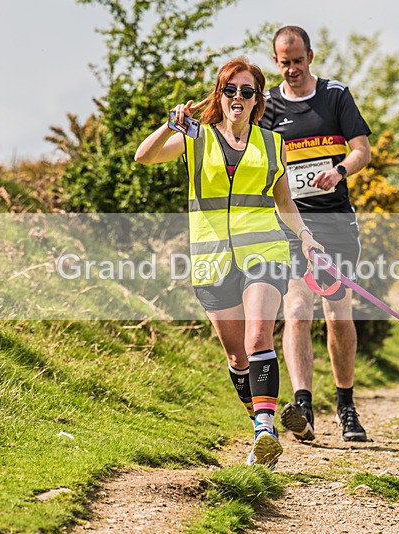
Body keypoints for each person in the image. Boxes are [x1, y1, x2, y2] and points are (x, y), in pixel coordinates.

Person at [134, 57, 322, 468]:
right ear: (220, 95)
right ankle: (264, 422)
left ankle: (264, 431)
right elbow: (143, 157)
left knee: (258, 340)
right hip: (212, 257)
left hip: (265, 252)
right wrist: (171, 123)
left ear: (259, 99)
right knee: (237, 358)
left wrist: (306, 238)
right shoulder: (194, 136)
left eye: (247, 91)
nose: (238, 97)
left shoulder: (274, 143)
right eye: (230, 90)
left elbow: (284, 201)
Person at [259, 26, 372, 442]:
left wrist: (340, 169)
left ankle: (346, 405)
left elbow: (362, 148)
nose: (291, 69)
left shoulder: (335, 95)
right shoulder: (267, 105)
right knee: (296, 310)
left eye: (298, 60)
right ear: (276, 61)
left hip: (335, 221)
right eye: (284, 62)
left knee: (337, 312)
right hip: (289, 224)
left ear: (311, 55)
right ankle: (303, 406)